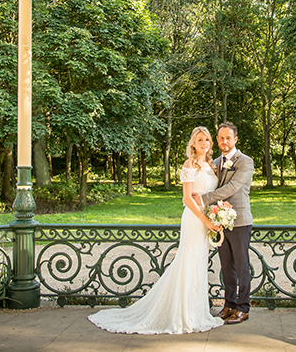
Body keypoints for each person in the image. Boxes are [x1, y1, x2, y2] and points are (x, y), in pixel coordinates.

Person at [88, 126, 224, 334]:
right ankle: (182, 315)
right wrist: (206, 220)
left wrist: (217, 215)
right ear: (193, 144)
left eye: (206, 139)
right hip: (195, 219)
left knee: (198, 263)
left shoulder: (211, 165)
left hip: (208, 219)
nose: (204, 143)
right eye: (199, 140)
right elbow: (187, 198)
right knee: (188, 262)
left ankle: (197, 312)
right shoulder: (190, 165)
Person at [193, 121, 254, 325]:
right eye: (221, 138)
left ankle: (243, 308)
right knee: (226, 266)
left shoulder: (245, 161)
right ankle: (229, 305)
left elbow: (233, 187)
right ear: (217, 140)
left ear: (235, 139)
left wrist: (203, 199)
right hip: (220, 221)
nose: (224, 141)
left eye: (228, 138)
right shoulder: (216, 162)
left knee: (242, 266)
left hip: (240, 220)